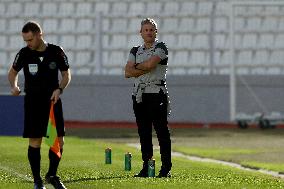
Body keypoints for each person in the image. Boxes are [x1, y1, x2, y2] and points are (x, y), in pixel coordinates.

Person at [8, 21, 71, 189]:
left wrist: (60, 89)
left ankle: (52, 175)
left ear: (39, 35)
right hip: (33, 102)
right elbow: (12, 72)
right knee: (35, 141)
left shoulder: (56, 51)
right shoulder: (24, 53)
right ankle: (37, 180)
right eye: (25, 40)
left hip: (53, 101)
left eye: (29, 40)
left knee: (58, 141)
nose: (27, 43)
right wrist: (14, 86)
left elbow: (66, 74)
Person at [125, 18, 172, 178]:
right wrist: (142, 67)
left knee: (161, 132)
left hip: (156, 93)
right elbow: (127, 72)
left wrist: (136, 67)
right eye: (146, 30)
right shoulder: (134, 50)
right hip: (139, 95)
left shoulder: (161, 47)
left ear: (156, 32)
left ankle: (165, 169)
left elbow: (151, 65)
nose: (149, 32)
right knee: (144, 132)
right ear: (141, 33)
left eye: (151, 30)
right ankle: (147, 167)